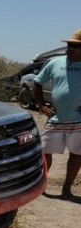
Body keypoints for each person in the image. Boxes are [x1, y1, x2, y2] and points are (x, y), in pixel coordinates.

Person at [34, 29, 81, 200]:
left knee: (77, 154)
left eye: (75, 46)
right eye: (69, 45)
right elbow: (37, 82)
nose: (71, 48)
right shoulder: (55, 62)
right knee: (45, 151)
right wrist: (41, 105)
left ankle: (67, 188)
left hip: (78, 120)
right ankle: (42, 183)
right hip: (56, 118)